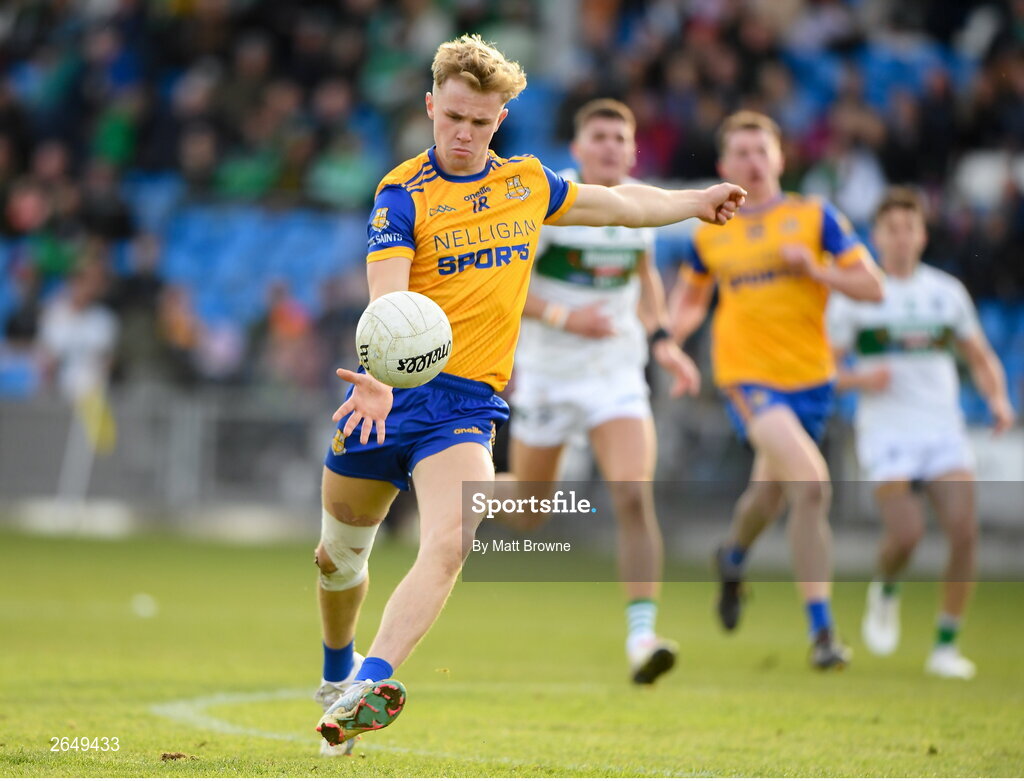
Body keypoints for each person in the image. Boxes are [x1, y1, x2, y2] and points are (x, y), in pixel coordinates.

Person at [312, 34, 746, 754]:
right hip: (383, 395)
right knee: (337, 559)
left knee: (451, 542)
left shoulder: (527, 184)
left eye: (479, 123)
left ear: (500, 121)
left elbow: (618, 206)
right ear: (430, 105)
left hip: (463, 407)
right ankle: (335, 669)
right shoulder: (399, 193)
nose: (462, 132)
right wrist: (382, 380)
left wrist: (695, 201)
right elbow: (387, 296)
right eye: (451, 116)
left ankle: (369, 683)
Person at [492, 98, 699, 685]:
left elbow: (645, 279)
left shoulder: (640, 209)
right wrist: (564, 316)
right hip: (550, 376)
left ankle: (642, 637)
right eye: (599, 137)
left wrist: (662, 339)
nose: (610, 146)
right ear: (578, 151)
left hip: (615, 376)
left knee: (633, 495)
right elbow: (507, 291)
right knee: (532, 510)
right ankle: (460, 492)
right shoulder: (552, 209)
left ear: (633, 150)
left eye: (620, 137)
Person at [667, 110, 883, 669]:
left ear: (781, 158)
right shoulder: (712, 229)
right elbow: (690, 300)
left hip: (812, 380)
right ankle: (823, 634)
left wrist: (816, 268)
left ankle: (732, 556)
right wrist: (668, 339)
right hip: (746, 377)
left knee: (770, 495)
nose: (752, 162)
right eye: (740, 153)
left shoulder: (816, 217)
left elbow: (872, 286)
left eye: (761, 151)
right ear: (722, 166)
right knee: (811, 486)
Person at [827, 187, 1015, 680]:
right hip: (886, 433)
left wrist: (996, 397)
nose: (902, 237)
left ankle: (945, 647)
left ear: (923, 235)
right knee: (906, 535)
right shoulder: (856, 295)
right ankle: (885, 587)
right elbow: (821, 370)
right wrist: (859, 379)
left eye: (910, 227)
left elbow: (979, 356)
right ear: (876, 237)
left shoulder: (945, 292)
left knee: (963, 532)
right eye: (892, 229)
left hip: (942, 429)